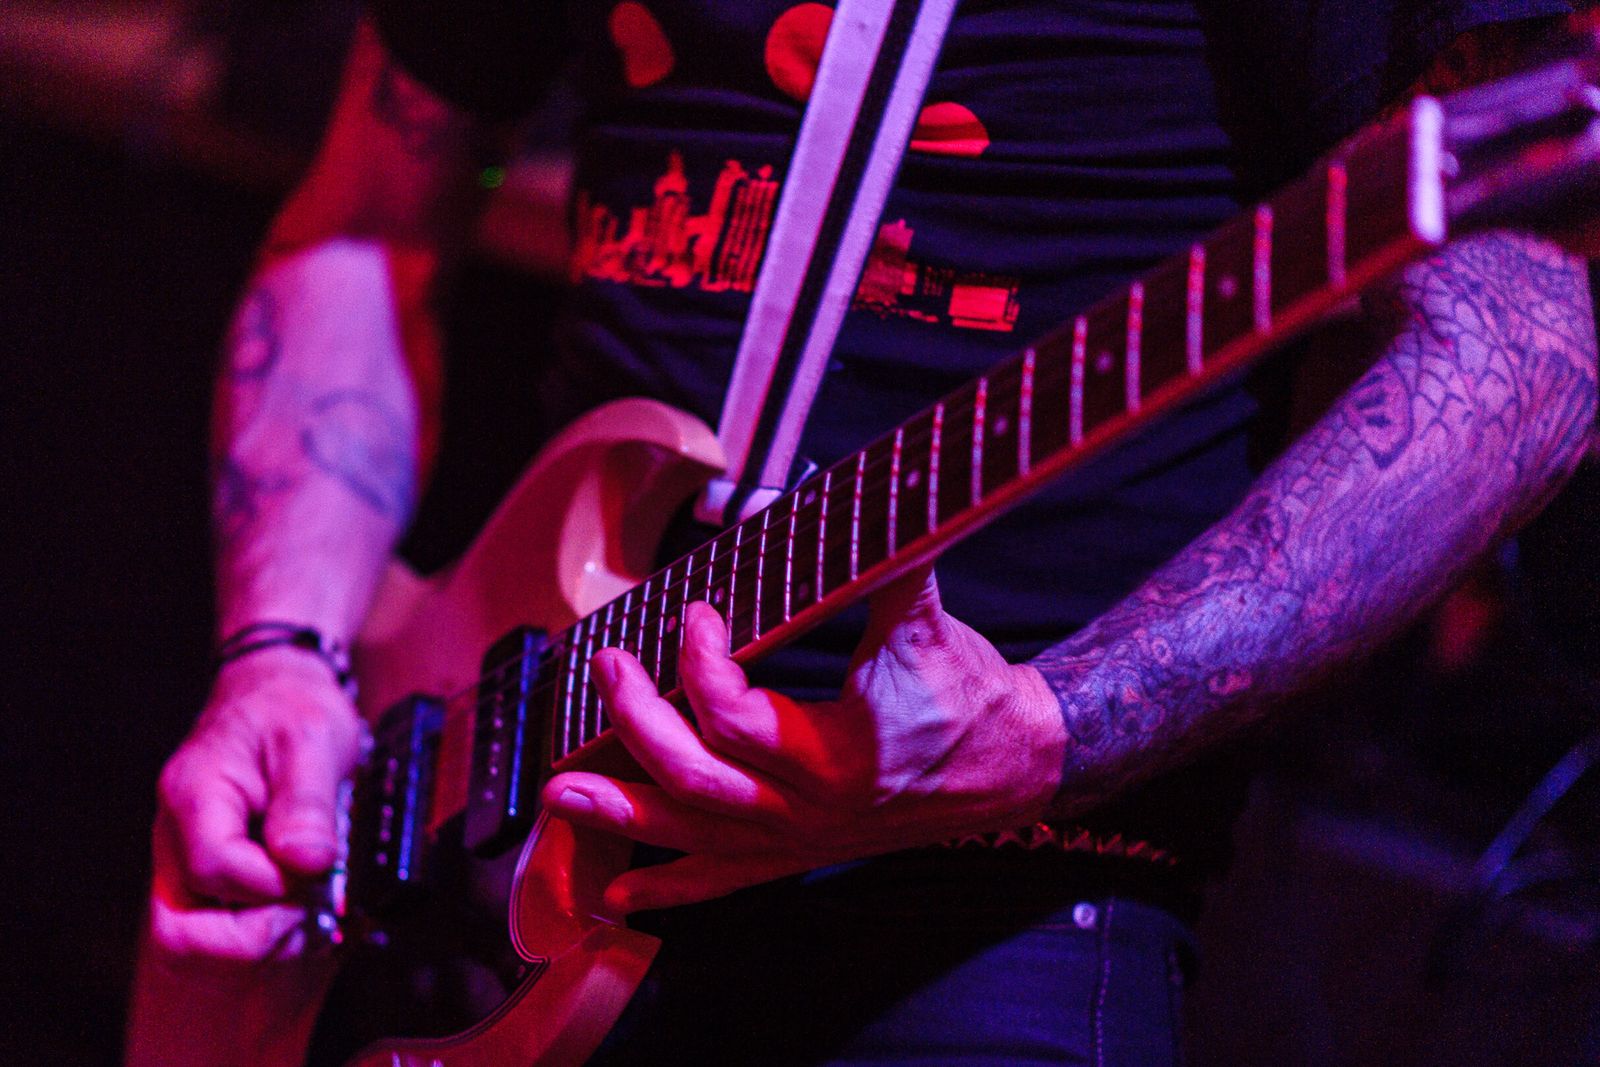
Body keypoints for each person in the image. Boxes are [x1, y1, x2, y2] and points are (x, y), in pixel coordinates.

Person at [128, 2, 1598, 1064]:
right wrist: (281, 653)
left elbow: (1528, 352)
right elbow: (368, 217)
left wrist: (1051, 727)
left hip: (995, 881)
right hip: (486, 790)